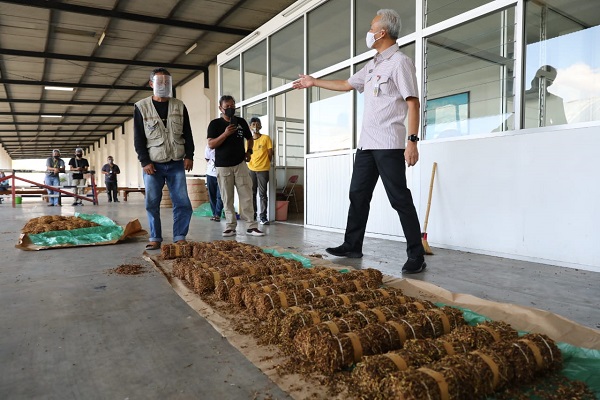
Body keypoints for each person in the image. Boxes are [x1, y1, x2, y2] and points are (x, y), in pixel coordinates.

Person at [292, 9, 426, 274]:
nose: (369, 30)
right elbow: (346, 84)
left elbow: (413, 102)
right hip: (366, 145)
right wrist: (313, 82)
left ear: (382, 32)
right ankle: (352, 245)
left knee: (399, 198)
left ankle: (416, 255)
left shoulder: (400, 62)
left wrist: (412, 141)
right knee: (358, 195)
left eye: (372, 26)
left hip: (388, 144)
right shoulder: (374, 63)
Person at [133, 67, 194, 250]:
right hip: (153, 165)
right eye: (160, 82)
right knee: (152, 203)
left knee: (182, 201)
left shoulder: (179, 105)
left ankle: (180, 236)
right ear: (151, 84)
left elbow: (188, 133)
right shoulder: (141, 107)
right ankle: (155, 237)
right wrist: (144, 161)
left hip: (176, 162)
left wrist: (189, 155)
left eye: (167, 81)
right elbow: (138, 138)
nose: (164, 85)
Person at [207, 95, 265, 237]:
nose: (230, 109)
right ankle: (230, 226)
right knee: (227, 198)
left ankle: (251, 226)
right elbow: (211, 144)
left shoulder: (241, 122)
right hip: (223, 166)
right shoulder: (215, 124)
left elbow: (250, 138)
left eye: (233, 106)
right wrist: (225, 134)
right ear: (220, 108)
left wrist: (249, 151)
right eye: (227, 107)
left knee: (246, 196)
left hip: (240, 164)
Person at [247, 117, 273, 225]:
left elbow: (270, 153)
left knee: (262, 194)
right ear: (249, 126)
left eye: (257, 124)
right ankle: (253, 215)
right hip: (251, 169)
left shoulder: (266, 138)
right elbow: (247, 155)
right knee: (252, 193)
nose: (255, 126)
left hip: (263, 170)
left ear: (261, 126)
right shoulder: (248, 141)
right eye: (253, 124)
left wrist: (265, 163)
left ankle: (263, 217)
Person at [204, 145, 223, 222]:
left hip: (221, 174)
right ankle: (214, 213)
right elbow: (207, 158)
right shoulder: (209, 147)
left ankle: (217, 214)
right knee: (212, 195)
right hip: (210, 174)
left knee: (220, 195)